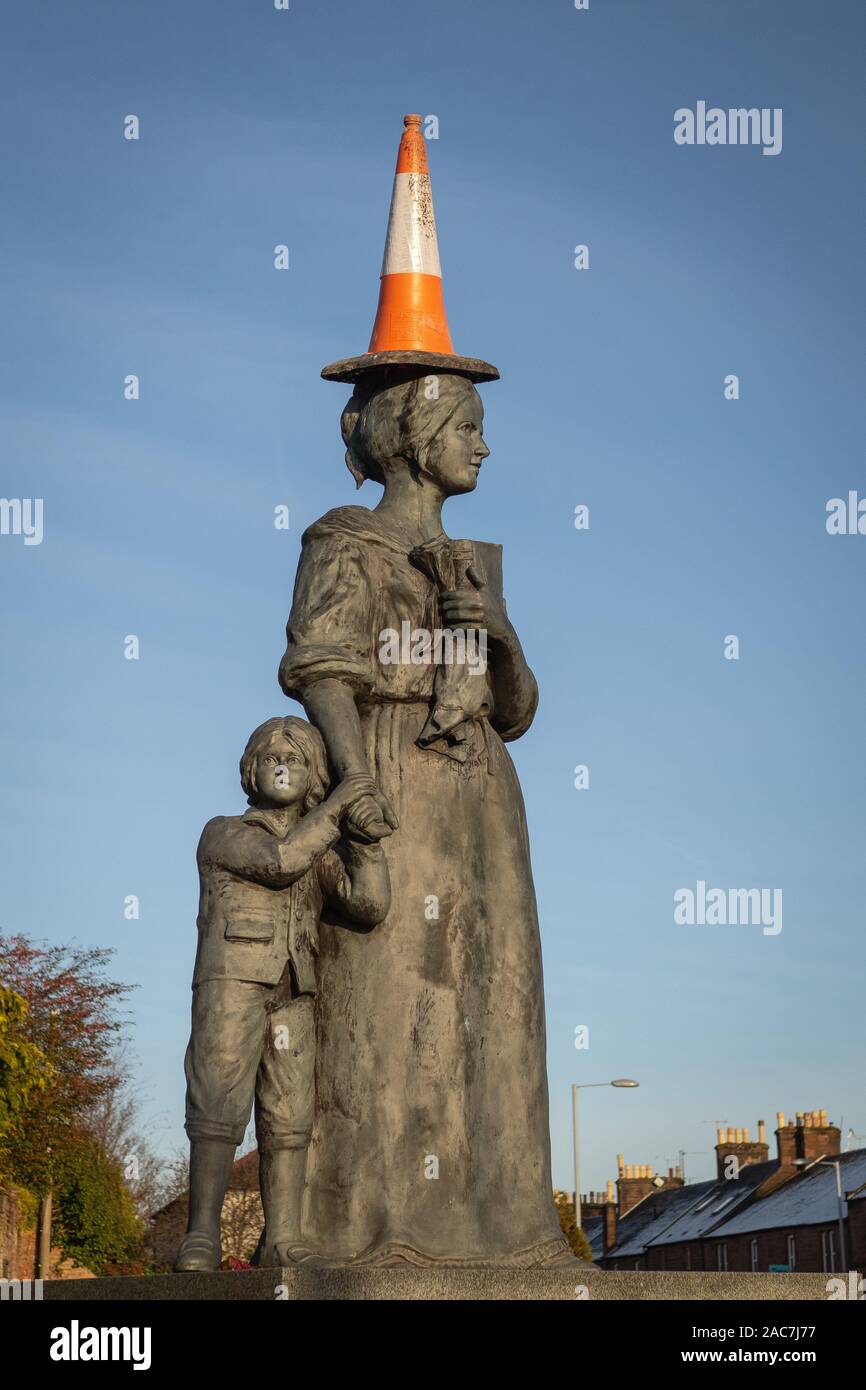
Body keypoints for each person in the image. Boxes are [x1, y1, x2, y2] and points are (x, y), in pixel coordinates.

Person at [279, 370, 570, 1266]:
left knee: (497, 994)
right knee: (393, 991)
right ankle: (380, 1223)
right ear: (417, 431)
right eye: (469, 426)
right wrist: (356, 786)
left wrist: (502, 636)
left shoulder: (476, 562)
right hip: (395, 769)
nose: (483, 446)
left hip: (483, 795)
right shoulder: (346, 541)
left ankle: (510, 1229)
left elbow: (516, 710)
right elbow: (322, 667)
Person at [174, 715, 390, 1271]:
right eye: (271, 757)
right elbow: (279, 862)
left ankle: (282, 1237)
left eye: (295, 760)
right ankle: (201, 1235)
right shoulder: (224, 832)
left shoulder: (318, 844)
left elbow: (370, 905)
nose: (282, 766)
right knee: (217, 1103)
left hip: (295, 989)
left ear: (311, 773)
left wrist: (364, 840)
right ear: (250, 768)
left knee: (289, 1113)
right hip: (233, 981)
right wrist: (343, 803)